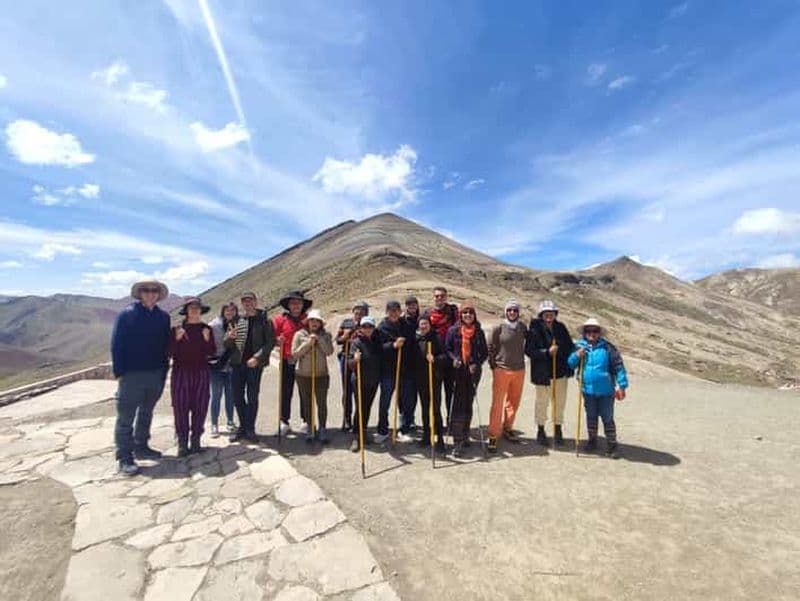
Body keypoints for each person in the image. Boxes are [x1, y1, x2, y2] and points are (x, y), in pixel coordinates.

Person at [111, 279, 171, 476]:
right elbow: (117, 344)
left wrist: (164, 371)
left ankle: (141, 446)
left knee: (146, 412)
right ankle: (124, 457)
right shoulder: (127, 315)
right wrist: (120, 372)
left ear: (158, 294)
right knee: (126, 417)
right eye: (146, 290)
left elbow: (165, 345)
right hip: (132, 375)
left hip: (155, 373)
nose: (150, 293)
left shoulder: (163, 317)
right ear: (140, 293)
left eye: (154, 291)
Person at [568, 317, 629, 459]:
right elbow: (570, 363)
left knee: (607, 417)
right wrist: (577, 355)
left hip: (606, 391)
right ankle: (592, 441)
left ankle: (612, 445)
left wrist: (622, 386)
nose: (592, 333)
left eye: (595, 331)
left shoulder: (608, 348)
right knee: (591, 416)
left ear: (599, 332)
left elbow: (619, 367)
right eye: (588, 331)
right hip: (587, 390)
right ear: (584, 332)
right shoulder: (579, 346)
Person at [226, 291, 275, 443]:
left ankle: (250, 428)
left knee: (252, 397)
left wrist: (257, 357)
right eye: (245, 301)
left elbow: (269, 343)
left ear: (256, 302)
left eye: (250, 300)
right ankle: (242, 427)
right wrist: (229, 338)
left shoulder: (264, 320)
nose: (248, 303)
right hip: (237, 364)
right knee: (237, 397)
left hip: (254, 365)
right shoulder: (237, 320)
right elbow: (227, 344)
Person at [169, 298, 216, 457]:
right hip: (181, 372)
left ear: (201, 310)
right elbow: (169, 352)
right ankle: (182, 443)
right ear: (187, 310)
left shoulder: (206, 329)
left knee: (200, 406)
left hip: (202, 372)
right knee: (180, 407)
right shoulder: (177, 329)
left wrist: (207, 339)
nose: (195, 310)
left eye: (197, 307)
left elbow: (211, 352)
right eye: (191, 307)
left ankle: (196, 441)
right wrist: (176, 340)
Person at [525, 300, 575, 446]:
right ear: (541, 314)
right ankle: (541, 430)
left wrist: (572, 353)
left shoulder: (561, 328)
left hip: (560, 373)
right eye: (546, 313)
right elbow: (529, 351)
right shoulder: (534, 329)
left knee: (559, 403)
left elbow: (569, 346)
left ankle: (557, 429)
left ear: (555, 314)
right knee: (542, 403)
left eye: (551, 313)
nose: (549, 315)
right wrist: (546, 352)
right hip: (543, 374)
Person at [444, 301, 488, 457]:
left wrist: (476, 363)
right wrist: (454, 358)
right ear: (460, 315)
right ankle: (457, 441)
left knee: (468, 403)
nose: (467, 315)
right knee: (457, 405)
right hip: (457, 372)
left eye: (470, 313)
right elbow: (447, 349)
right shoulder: (453, 330)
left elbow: (484, 352)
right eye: (465, 312)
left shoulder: (479, 332)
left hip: (473, 373)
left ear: (474, 315)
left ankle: (465, 434)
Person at [487, 299, 528, 453]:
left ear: (518, 312)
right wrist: (494, 365)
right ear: (505, 311)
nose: (512, 313)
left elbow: (529, 343)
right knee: (497, 404)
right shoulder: (498, 327)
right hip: (501, 370)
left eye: (515, 310)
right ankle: (493, 434)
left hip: (519, 369)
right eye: (509, 310)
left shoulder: (522, 327)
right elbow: (490, 347)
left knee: (513, 402)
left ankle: (508, 428)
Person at [292, 309, 335, 444]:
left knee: (321, 403)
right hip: (303, 375)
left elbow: (329, 351)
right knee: (307, 403)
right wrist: (308, 344)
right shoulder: (299, 335)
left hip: (321, 375)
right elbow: (295, 354)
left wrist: (319, 340)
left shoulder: (326, 335)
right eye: (312, 320)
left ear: (321, 323)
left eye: (317, 321)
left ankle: (322, 428)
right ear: (308, 322)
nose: (314, 323)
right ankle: (310, 427)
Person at [273, 290, 312, 435]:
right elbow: (272, 337)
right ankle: (284, 421)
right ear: (288, 305)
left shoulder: (308, 319)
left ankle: (306, 420)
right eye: (293, 303)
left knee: (305, 391)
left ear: (303, 305)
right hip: (286, 359)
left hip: (304, 360)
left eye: (299, 303)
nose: (296, 306)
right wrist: (277, 341)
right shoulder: (279, 320)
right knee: (285, 391)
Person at [376, 300, 415, 443]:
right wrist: (392, 345)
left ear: (400, 311)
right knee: (385, 401)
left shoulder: (406, 326)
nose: (393, 313)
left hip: (405, 370)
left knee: (406, 401)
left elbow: (412, 344)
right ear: (387, 312)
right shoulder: (381, 328)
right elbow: (378, 348)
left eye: (396, 310)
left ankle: (404, 429)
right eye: (390, 310)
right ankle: (383, 430)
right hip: (388, 371)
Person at [422, 286, 460, 423]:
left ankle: (451, 421)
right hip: (435, 358)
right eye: (437, 296)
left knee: (451, 391)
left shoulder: (453, 311)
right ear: (433, 297)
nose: (439, 298)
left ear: (446, 297)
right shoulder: (428, 313)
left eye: (442, 296)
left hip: (450, 357)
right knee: (436, 393)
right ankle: (437, 422)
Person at [412, 315, 448, 453]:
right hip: (421, 379)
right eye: (421, 324)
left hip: (434, 378)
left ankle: (440, 439)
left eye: (426, 324)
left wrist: (435, 359)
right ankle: (427, 436)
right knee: (425, 409)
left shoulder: (436, 338)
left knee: (436, 409)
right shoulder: (416, 339)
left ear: (429, 325)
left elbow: (445, 356)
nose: (423, 326)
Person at [348, 315, 383, 452]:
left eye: (369, 326)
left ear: (374, 328)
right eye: (364, 327)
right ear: (360, 328)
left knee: (367, 407)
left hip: (373, 380)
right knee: (360, 408)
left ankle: (364, 432)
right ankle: (356, 437)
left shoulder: (377, 341)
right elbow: (350, 364)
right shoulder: (356, 342)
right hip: (359, 380)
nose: (367, 329)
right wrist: (355, 360)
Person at [336, 300, 369, 431]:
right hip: (346, 358)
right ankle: (347, 419)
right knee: (347, 390)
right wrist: (345, 335)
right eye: (357, 310)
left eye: (362, 311)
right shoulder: (346, 323)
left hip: (361, 360)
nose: (359, 313)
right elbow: (338, 341)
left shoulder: (368, 324)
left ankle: (358, 420)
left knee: (359, 390)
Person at [208, 301, 238, 437]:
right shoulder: (214, 326)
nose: (230, 313)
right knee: (216, 395)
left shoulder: (238, 325)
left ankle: (230, 421)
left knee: (230, 395)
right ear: (223, 311)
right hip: (217, 365)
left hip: (232, 366)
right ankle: (214, 425)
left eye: (233, 310)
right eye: (227, 310)